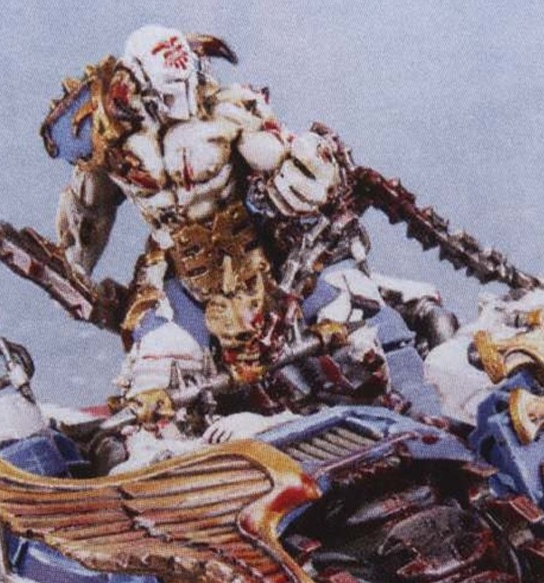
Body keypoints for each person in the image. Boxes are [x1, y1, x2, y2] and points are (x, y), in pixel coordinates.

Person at [43, 25, 348, 450]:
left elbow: (290, 165)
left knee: (352, 335)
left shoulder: (229, 111)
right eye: (169, 92)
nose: (184, 100)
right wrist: (74, 268)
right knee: (153, 396)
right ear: (137, 86)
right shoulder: (108, 136)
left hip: (259, 264)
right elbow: (89, 207)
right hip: (179, 275)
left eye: (187, 82)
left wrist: (311, 168)